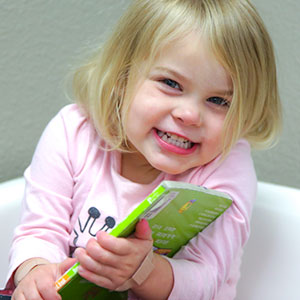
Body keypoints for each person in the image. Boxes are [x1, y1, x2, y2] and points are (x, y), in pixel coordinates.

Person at [7, 0, 282, 299]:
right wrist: (37, 272)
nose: (189, 115)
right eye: (170, 83)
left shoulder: (226, 164)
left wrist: (145, 271)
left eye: (219, 101)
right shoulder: (73, 132)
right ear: (121, 77)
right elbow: (39, 231)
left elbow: (208, 277)